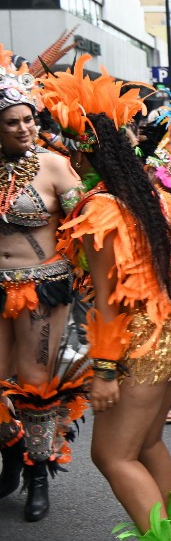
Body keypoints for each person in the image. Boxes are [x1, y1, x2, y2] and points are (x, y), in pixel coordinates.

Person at [39, 57, 171, 539]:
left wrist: (103, 372)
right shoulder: (151, 197)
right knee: (146, 444)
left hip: (139, 343)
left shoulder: (101, 210)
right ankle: (167, 530)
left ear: (80, 155)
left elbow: (108, 302)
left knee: (111, 454)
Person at [0, 68, 82, 522]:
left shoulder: (54, 164)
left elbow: (84, 225)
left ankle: (37, 474)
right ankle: (11, 453)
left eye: (28, 120)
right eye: (12, 122)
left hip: (42, 288)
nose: (23, 128)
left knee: (35, 384)